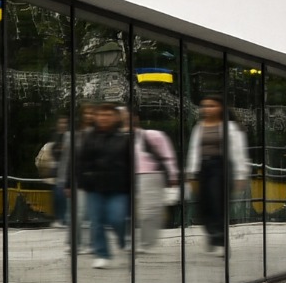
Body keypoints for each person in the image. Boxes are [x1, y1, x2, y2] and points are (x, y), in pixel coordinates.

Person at [186, 96, 249, 250]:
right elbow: (193, 150)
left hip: (220, 167)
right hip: (203, 167)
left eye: (211, 106)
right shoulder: (199, 127)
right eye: (204, 106)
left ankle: (219, 235)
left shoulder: (230, 127)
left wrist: (241, 175)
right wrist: (191, 172)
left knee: (216, 201)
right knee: (203, 204)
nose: (207, 109)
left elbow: (238, 152)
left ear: (220, 108)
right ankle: (212, 233)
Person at [74, 102, 132, 269]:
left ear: (115, 117)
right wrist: (81, 180)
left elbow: (130, 165)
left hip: (118, 187)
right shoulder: (89, 137)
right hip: (94, 186)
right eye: (101, 115)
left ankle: (121, 238)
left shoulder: (124, 139)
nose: (104, 118)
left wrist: (130, 187)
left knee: (117, 218)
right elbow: (80, 161)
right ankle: (102, 254)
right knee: (96, 221)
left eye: (108, 115)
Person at [132, 112, 179, 251]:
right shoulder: (120, 138)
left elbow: (167, 155)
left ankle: (145, 241)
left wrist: (173, 175)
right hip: (129, 176)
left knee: (148, 211)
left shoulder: (152, 135)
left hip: (150, 175)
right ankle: (137, 240)